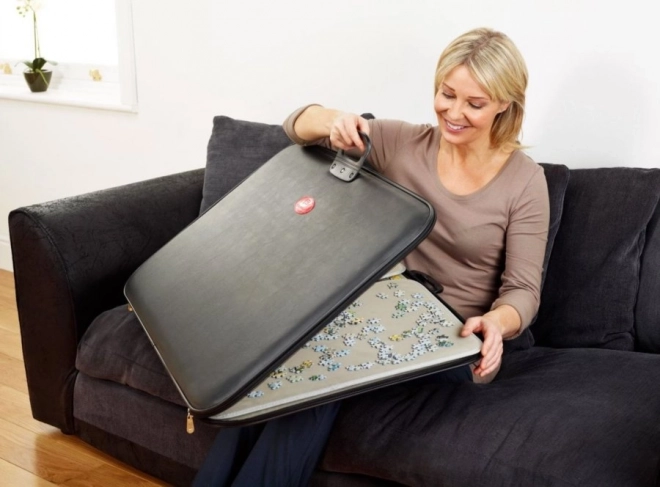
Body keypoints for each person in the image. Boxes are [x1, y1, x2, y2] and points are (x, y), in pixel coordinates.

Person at [193, 27, 549, 486]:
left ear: (504, 103)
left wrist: (497, 324)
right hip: (373, 319)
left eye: (474, 103)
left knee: (316, 383)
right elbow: (295, 125)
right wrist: (335, 120)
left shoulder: (524, 181)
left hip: (450, 341)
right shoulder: (404, 144)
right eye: (446, 94)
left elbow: (523, 290)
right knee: (275, 376)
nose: (454, 112)